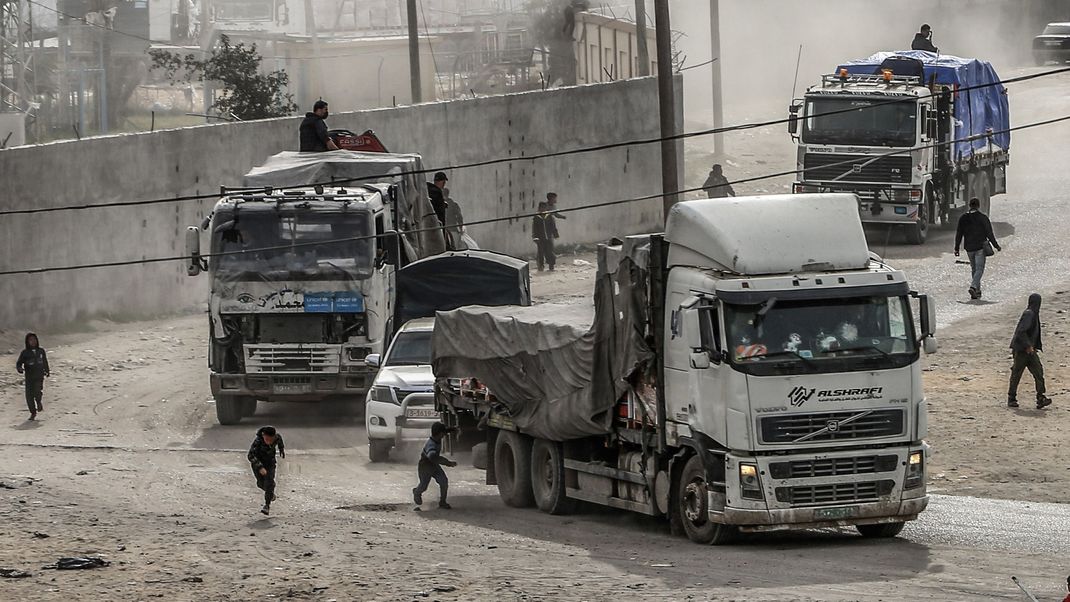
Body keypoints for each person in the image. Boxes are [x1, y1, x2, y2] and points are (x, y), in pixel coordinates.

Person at [1008, 293, 1052, 409]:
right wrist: (1027, 345)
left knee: (1038, 372)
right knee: (1017, 374)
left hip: (1030, 351)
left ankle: (1040, 397)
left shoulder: (1033, 314)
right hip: (1022, 351)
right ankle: (1011, 398)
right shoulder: (1029, 314)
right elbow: (1021, 331)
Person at [954, 198, 1001, 300]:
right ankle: (973, 286)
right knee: (979, 269)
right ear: (978, 206)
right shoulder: (983, 218)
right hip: (980, 247)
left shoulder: (963, 218)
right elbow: (989, 233)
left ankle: (977, 291)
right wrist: (996, 246)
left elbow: (959, 234)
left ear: (969, 205)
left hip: (969, 248)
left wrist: (956, 248)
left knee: (974, 269)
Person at [412, 422, 457, 511]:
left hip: (433, 465)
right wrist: (448, 463)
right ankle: (416, 492)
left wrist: (454, 429)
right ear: (440, 433)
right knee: (423, 486)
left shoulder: (436, 437)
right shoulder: (431, 445)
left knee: (444, 481)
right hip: (425, 466)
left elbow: (445, 431)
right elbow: (432, 456)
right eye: (443, 433)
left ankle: (442, 502)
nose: (444, 435)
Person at [248, 425, 286, 515]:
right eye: (267, 439)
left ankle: (267, 505)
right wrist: (260, 467)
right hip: (258, 464)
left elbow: (279, 439)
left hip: (270, 463)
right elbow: (250, 455)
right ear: (263, 436)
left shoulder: (276, 437)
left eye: (271, 440)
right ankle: (270, 493)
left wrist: (281, 449)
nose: (269, 442)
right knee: (261, 484)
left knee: (269, 482)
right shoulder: (257, 442)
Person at [15, 333, 49, 421]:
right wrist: (20, 369)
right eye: (30, 340)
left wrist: (47, 371)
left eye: (34, 340)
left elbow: (45, 362)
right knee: (29, 396)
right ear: (27, 342)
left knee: (37, 391)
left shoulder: (41, 351)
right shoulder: (25, 353)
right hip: (29, 377)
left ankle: (38, 402)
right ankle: (33, 412)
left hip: (39, 376)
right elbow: (19, 363)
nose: (33, 342)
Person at [532, 202, 556, 272]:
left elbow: (553, 226)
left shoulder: (549, 216)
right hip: (540, 238)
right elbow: (534, 228)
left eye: (544, 208)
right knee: (540, 253)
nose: (543, 209)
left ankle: (551, 265)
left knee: (550, 252)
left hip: (549, 238)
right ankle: (541, 265)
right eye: (541, 208)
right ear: (539, 208)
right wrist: (535, 237)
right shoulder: (536, 217)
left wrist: (555, 234)